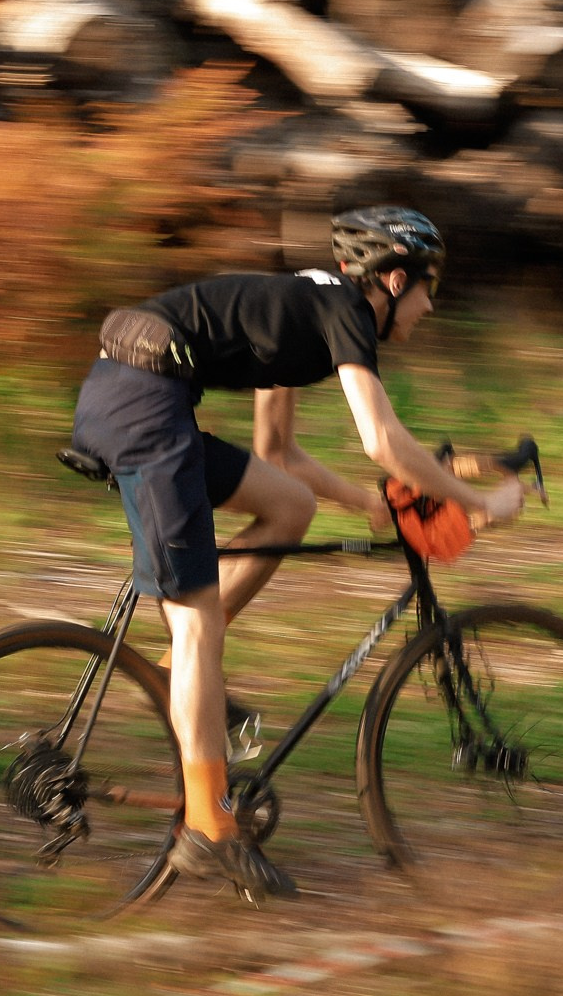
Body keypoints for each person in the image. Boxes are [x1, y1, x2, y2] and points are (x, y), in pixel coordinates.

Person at [70, 205, 526, 901]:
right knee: (199, 624)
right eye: (428, 288)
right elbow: (382, 439)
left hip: (132, 393)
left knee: (289, 505)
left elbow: (277, 454)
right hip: (143, 407)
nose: (430, 306)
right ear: (394, 280)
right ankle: (209, 828)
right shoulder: (347, 309)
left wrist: (366, 503)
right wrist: (479, 504)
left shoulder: (299, 310)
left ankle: (176, 676)